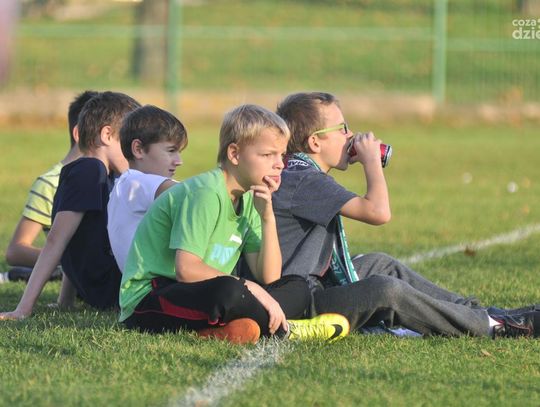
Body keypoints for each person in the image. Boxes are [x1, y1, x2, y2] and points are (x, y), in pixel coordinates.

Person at [271, 91, 539, 339]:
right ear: (315, 142)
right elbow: (378, 212)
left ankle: (482, 313)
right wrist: (372, 161)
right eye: (342, 128)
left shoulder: (298, 172)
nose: (350, 134)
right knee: (386, 290)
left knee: (380, 264)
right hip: (302, 302)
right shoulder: (304, 179)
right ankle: (493, 326)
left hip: (315, 285)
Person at [119, 104, 349, 344]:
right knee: (230, 291)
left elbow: (269, 276)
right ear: (235, 154)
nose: (280, 164)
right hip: (152, 297)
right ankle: (286, 329)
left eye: (281, 155)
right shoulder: (205, 193)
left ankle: (228, 329)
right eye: (268, 155)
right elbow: (186, 270)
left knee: (297, 287)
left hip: (204, 294)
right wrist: (251, 288)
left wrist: (267, 217)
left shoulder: (250, 196)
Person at [0, 91, 141, 320]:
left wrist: (65, 301)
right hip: (120, 290)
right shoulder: (89, 170)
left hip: (117, 288)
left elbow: (78, 239)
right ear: (106, 135)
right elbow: (58, 240)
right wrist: (22, 310)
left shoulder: (105, 175)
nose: (135, 153)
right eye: (128, 143)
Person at [2, 90, 98, 284]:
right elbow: (16, 250)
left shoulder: (111, 178)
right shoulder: (50, 183)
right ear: (79, 134)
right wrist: (67, 262)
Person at [108, 105, 187, 273]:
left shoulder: (126, 185)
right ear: (138, 149)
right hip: (155, 285)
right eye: (171, 151)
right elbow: (193, 194)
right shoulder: (135, 183)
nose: (179, 161)